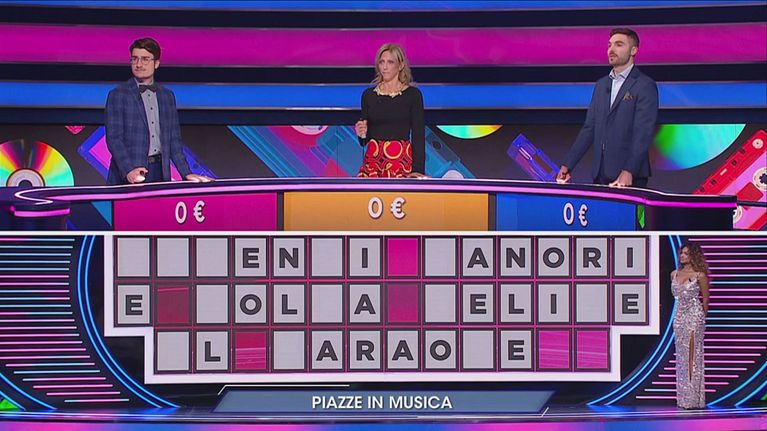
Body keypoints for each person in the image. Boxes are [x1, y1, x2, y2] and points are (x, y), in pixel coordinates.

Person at [556, 28, 658, 188]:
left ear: (633, 50)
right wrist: (567, 165)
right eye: (609, 45)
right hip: (600, 173)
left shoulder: (645, 85)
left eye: (619, 45)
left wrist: (629, 171)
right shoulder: (601, 85)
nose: (611, 49)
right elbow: (589, 128)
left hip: (629, 177)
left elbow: (643, 133)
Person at [105, 37, 212, 185]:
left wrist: (186, 172)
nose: (138, 64)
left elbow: (174, 141)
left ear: (156, 63)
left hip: (160, 171)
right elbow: (114, 138)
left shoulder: (167, 96)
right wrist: (128, 171)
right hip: (130, 173)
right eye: (135, 59)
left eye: (145, 59)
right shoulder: (118, 94)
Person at [354, 43, 425, 178]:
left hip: (400, 161)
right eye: (382, 62)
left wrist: (418, 170)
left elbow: (418, 135)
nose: (385, 67)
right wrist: (361, 133)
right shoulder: (368, 95)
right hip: (373, 162)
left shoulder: (413, 95)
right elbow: (365, 140)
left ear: (401, 65)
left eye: (390, 62)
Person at [671, 242, 709, 409]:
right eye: (681, 253)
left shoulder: (700, 275)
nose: (682, 256)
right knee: (681, 356)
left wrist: (701, 318)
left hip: (695, 317)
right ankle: (683, 397)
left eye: (686, 253)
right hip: (679, 317)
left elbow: (705, 300)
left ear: (693, 255)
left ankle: (693, 399)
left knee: (692, 356)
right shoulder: (674, 274)